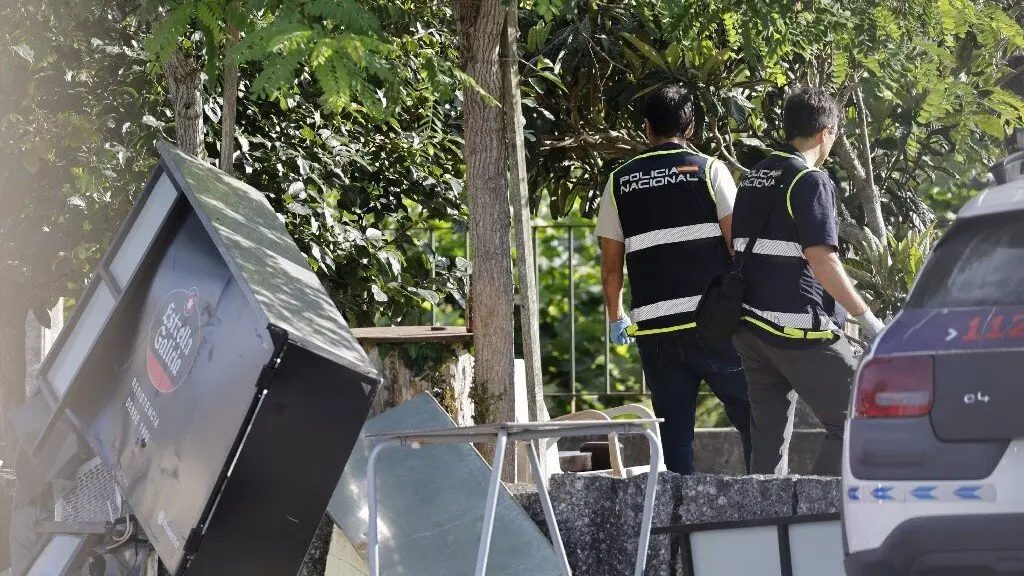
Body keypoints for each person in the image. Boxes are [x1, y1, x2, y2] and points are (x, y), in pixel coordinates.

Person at [596, 84, 752, 475]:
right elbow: (737, 245)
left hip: (655, 332)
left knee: (674, 441)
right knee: (755, 420)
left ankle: (680, 533)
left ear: (646, 127)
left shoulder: (620, 181)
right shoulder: (710, 170)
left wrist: (616, 318)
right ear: (692, 128)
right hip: (714, 324)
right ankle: (768, 508)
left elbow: (611, 264)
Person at [730, 87, 885, 476]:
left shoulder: (755, 176)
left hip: (750, 326)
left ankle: (766, 530)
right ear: (825, 133)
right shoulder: (811, 181)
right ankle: (815, 517)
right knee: (859, 415)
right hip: (796, 328)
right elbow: (822, 259)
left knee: (768, 443)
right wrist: (868, 320)